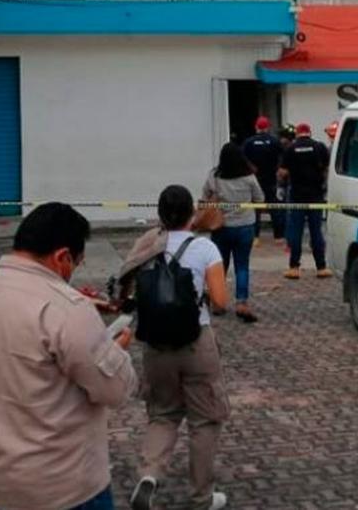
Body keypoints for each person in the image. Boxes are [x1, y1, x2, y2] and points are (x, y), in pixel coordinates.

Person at [0, 203, 137, 510]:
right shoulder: (66, 309)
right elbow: (115, 391)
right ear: (63, 257)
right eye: (76, 262)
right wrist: (114, 352)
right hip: (66, 489)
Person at [124, 185, 231, 510]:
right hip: (196, 341)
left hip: (155, 344)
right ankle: (201, 497)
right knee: (204, 420)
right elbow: (222, 302)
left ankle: (149, 475)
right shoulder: (204, 249)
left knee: (163, 414)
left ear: (160, 214)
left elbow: (126, 293)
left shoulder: (147, 248)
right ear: (192, 213)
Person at [203, 142, 265, 322]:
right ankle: (242, 302)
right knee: (242, 266)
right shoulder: (248, 177)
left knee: (219, 266)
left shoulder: (214, 176)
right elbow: (260, 198)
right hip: (245, 226)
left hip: (221, 227)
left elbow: (204, 197)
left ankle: (217, 302)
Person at [279, 123, 333, 280]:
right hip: (316, 195)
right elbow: (327, 168)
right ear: (310, 132)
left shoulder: (290, 149)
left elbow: (282, 172)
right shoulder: (319, 147)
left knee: (296, 232)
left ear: (297, 133)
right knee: (316, 231)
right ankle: (321, 267)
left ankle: (294, 267)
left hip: (297, 196)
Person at [242, 116, 286, 244]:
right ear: (268, 127)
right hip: (271, 179)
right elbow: (284, 156)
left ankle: (255, 237)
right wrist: (279, 169)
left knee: (255, 209)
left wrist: (250, 169)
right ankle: (279, 237)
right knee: (274, 208)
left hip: (254, 180)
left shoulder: (249, 142)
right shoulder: (274, 141)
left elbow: (241, 158)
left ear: (256, 127)